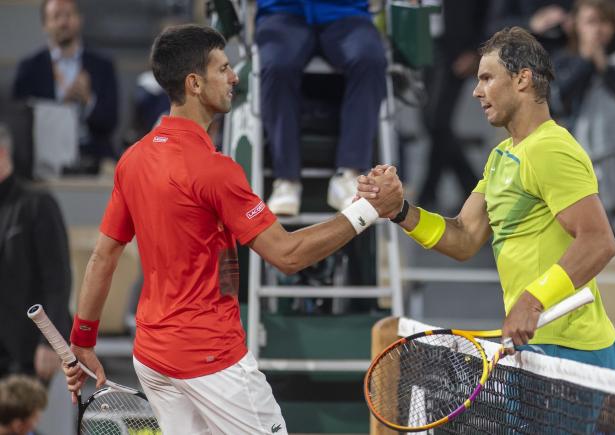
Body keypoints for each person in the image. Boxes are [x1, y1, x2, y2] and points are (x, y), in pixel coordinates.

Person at [62, 24, 401, 435]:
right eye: (223, 69)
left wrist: (82, 339)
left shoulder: (133, 159)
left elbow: (104, 256)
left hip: (152, 358)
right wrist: (368, 210)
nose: (234, 77)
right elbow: (288, 255)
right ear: (194, 83)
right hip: (210, 359)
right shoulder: (216, 170)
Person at [359, 27, 615, 368]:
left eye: (486, 79)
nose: (476, 92)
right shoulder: (501, 156)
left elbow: (599, 242)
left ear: (522, 79)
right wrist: (400, 211)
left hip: (571, 349)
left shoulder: (552, 149)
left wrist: (533, 300)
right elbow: (465, 237)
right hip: (532, 344)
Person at [255, 0, 387, 216]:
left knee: (370, 60)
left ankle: (350, 174)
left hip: (346, 12)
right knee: (277, 67)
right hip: (282, 12)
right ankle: (286, 180)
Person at [553, 0, 615, 240]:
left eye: (605, 22)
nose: (598, 29)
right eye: (591, 22)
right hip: (584, 158)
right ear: (575, 26)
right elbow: (557, 102)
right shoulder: (564, 62)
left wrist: (605, 67)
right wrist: (587, 63)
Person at [11, 0, 118, 175]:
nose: (63, 22)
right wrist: (62, 105)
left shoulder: (103, 65)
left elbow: (111, 122)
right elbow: (21, 124)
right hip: (45, 160)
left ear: (79, 20)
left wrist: (88, 100)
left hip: (94, 157)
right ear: (45, 25)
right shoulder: (29, 68)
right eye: (56, 17)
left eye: (68, 15)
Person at [0, 123, 70, 384]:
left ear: (2, 154)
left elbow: (58, 279)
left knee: (16, 422)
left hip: (24, 350)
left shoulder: (37, 205)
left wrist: (51, 341)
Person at [416, 0, 487, 213]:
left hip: (456, 48)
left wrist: (476, 49)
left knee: (436, 120)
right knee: (432, 123)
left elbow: (486, 10)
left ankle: (429, 193)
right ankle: (473, 189)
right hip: (424, 42)